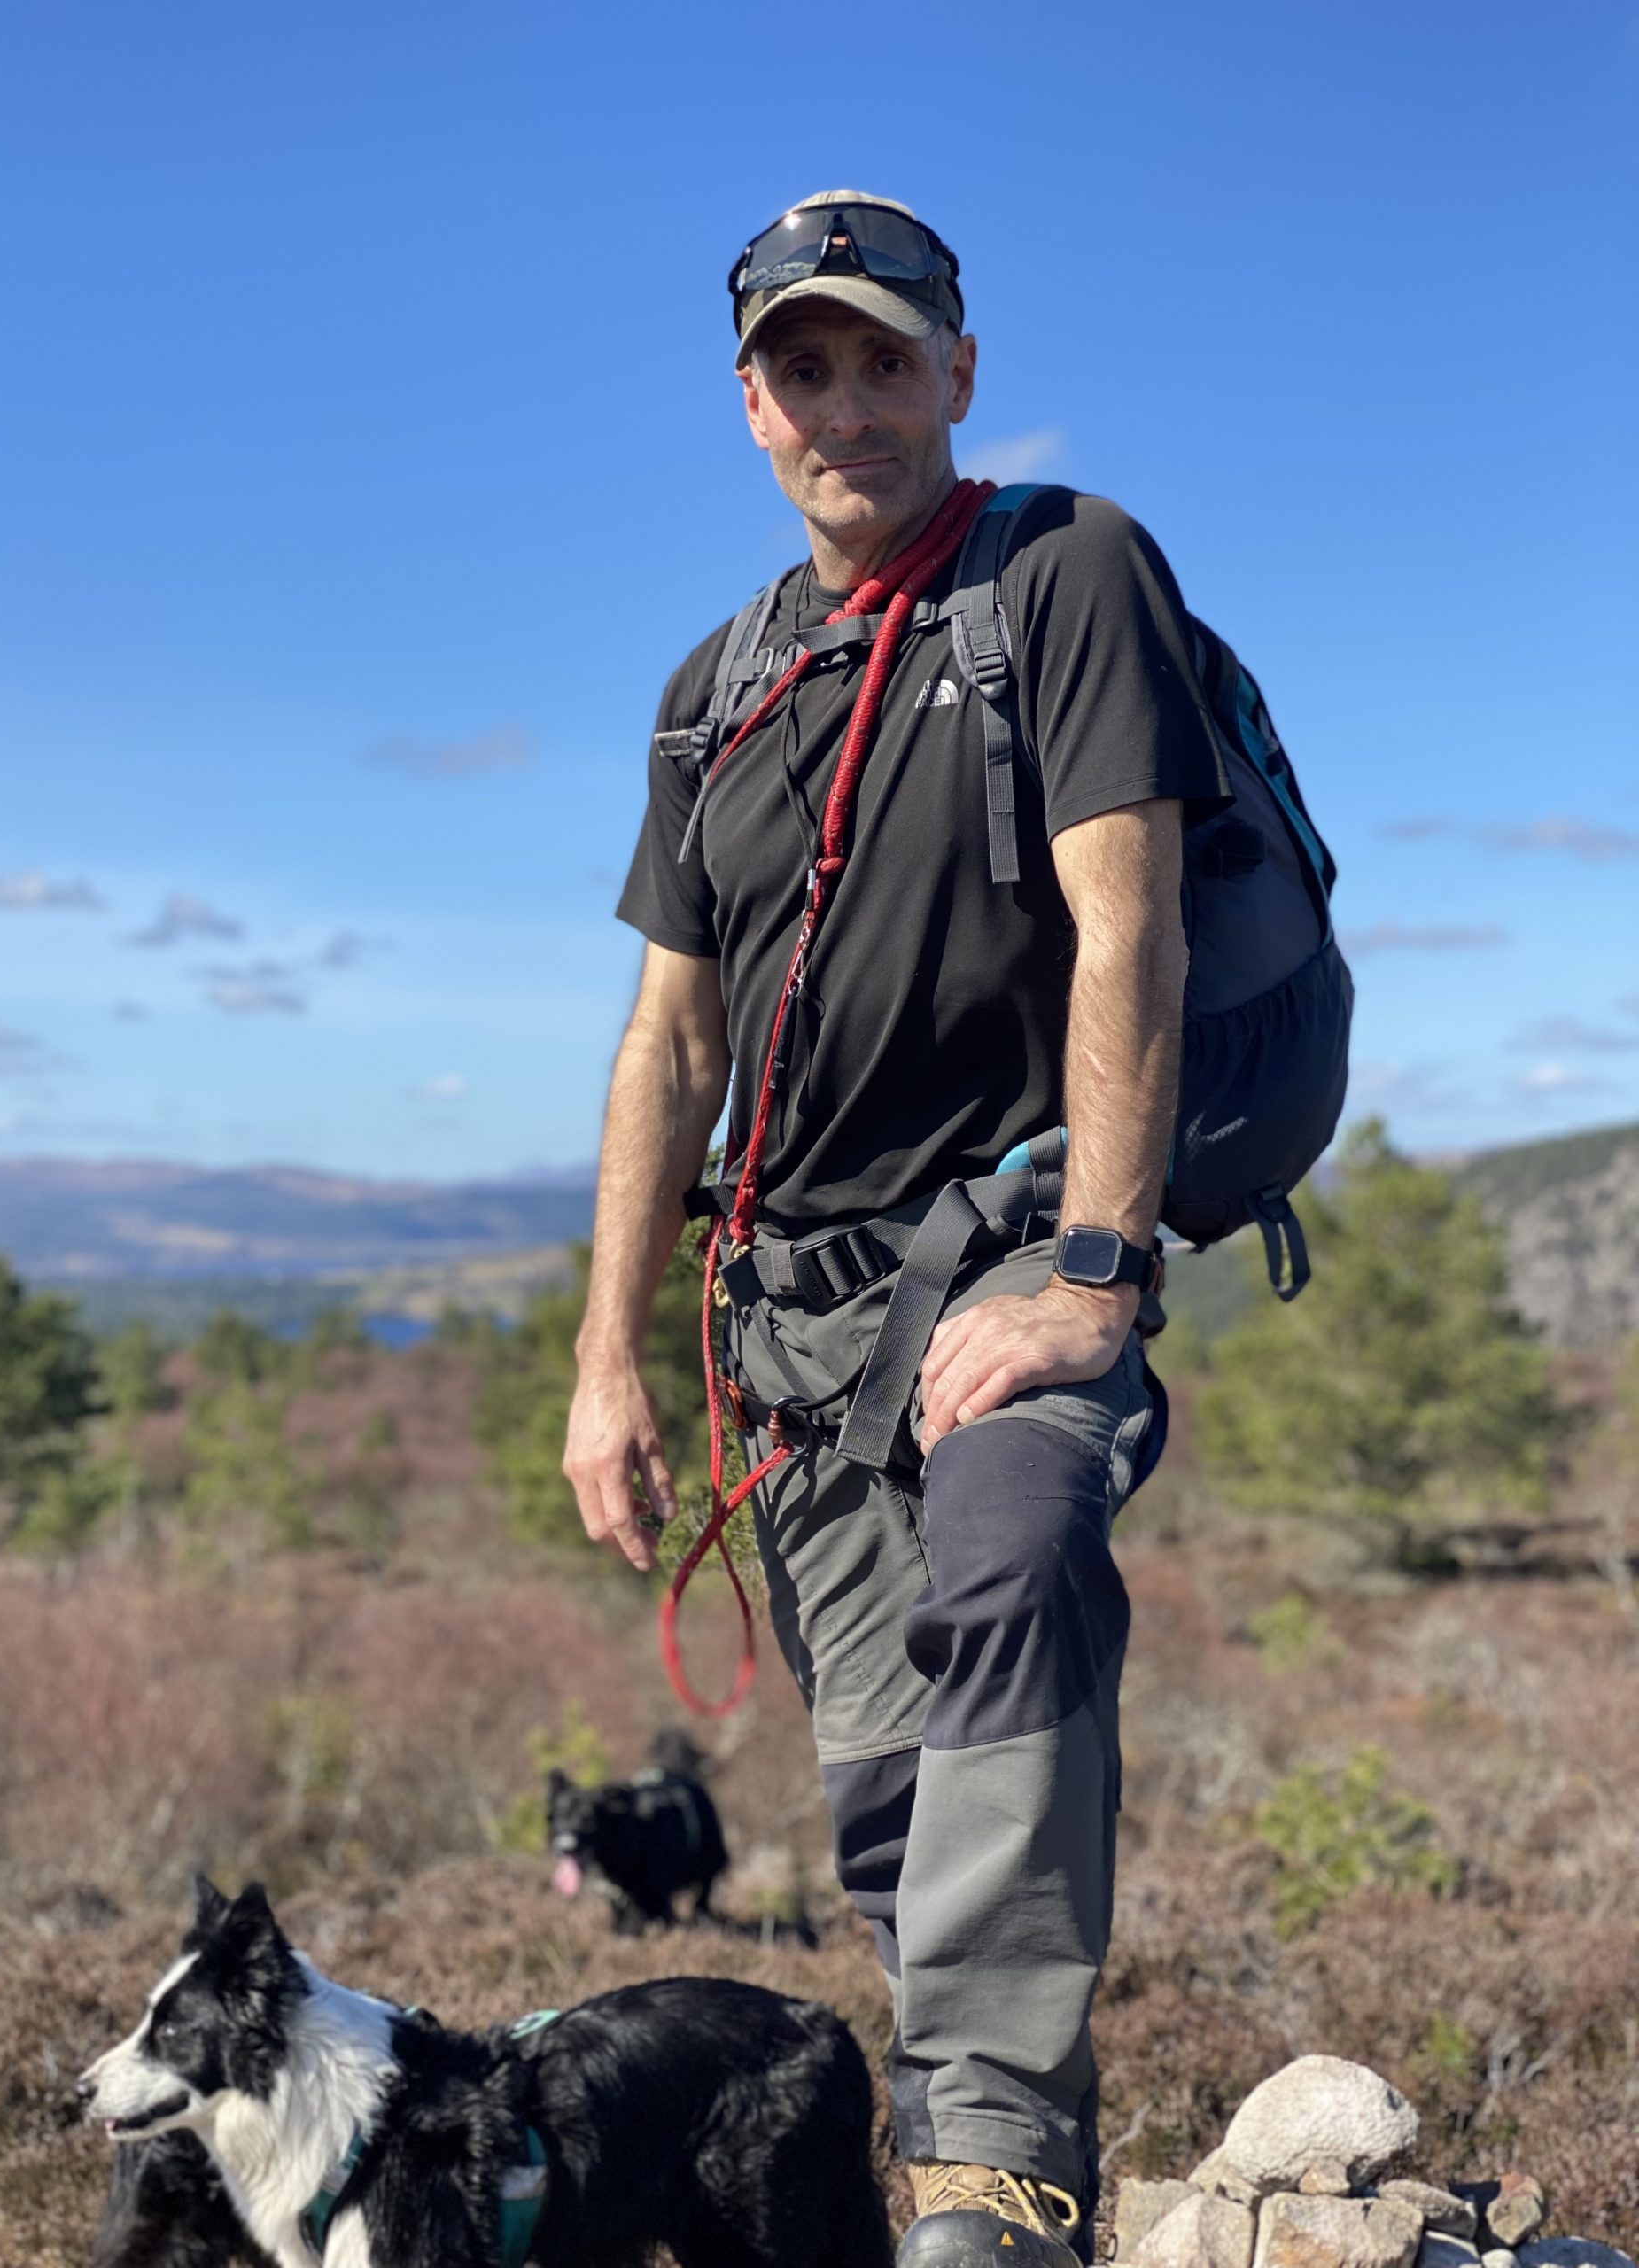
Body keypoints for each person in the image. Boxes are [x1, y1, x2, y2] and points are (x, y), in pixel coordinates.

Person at [563, 190, 1230, 2267]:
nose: (845, 399)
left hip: (1026, 1239)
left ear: (960, 369)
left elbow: (1133, 920)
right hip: (795, 1327)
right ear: (751, 402)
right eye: (802, 364)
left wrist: (1103, 1271)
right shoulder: (715, 688)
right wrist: (608, 1359)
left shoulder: (1065, 572)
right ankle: (951, 2136)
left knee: (1019, 1557)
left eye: (884, 355)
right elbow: (666, 1045)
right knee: (877, 1783)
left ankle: (999, 2172)